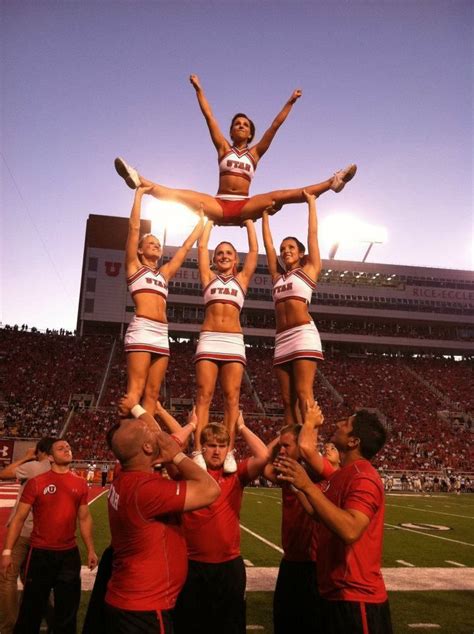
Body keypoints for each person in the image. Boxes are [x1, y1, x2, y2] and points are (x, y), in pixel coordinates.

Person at [114, 75, 357, 226]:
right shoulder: (223, 147)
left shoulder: (255, 153)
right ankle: (139, 180)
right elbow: (208, 116)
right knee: (180, 194)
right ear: (231, 132)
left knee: (281, 195)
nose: (240, 126)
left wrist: (290, 102)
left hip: (244, 205)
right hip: (219, 204)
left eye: (245, 125)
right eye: (237, 124)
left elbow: (275, 125)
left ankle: (333, 182)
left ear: (250, 133)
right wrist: (199, 90)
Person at [103, 405, 220, 634]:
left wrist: (139, 408)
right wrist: (176, 455)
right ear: (147, 447)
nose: (156, 432)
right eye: (149, 431)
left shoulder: (123, 472)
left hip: (126, 598)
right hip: (144, 608)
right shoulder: (146, 489)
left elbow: (155, 435)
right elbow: (210, 490)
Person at [275, 409, 393, 634]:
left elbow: (350, 529)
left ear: (353, 441)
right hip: (335, 592)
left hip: (357, 598)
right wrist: (295, 481)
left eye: (346, 423)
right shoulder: (343, 474)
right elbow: (316, 512)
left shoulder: (364, 476)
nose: (339, 423)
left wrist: (307, 485)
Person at [173, 413, 269, 634]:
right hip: (191, 564)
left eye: (222, 445)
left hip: (229, 565)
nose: (217, 450)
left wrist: (242, 427)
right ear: (202, 448)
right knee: (190, 626)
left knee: (230, 626)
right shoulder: (189, 473)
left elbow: (264, 455)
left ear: (228, 449)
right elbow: (169, 451)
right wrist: (191, 425)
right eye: (211, 445)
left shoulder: (236, 475)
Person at [1, 439, 98, 634]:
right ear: (51, 457)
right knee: (31, 611)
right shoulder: (37, 482)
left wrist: (91, 550)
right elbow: (19, 519)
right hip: (39, 554)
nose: (67, 449)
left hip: (69, 555)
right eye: (61, 448)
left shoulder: (80, 483)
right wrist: (7, 551)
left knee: (67, 612)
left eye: (68, 447)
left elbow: (85, 518)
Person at [123, 186, 205, 414]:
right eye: (151, 243)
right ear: (139, 251)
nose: (157, 246)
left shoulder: (164, 274)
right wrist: (139, 194)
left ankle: (146, 441)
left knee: (152, 393)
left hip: (161, 333)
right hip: (142, 329)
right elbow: (134, 227)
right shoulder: (133, 267)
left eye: (158, 244)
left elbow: (186, 247)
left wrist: (202, 220)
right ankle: (127, 442)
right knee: (134, 392)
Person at [264, 402, 339, 634]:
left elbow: (308, 451)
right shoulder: (287, 471)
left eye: (287, 445)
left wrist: (306, 429)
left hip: (315, 565)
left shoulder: (320, 474)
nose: (282, 451)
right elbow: (265, 464)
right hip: (291, 562)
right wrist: (283, 437)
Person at [193, 219, 258, 472]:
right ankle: (198, 450)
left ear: (235, 260)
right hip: (209, 337)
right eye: (219, 253)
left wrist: (250, 223)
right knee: (204, 396)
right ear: (213, 259)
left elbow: (254, 251)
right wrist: (208, 220)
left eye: (229, 253)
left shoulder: (242, 279)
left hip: (233, 341)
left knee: (232, 398)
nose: (223, 256)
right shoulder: (207, 277)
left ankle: (229, 451)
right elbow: (201, 247)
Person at [262, 191, 323, 424]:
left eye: (291, 248)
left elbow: (313, 235)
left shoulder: (309, 270)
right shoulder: (277, 276)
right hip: (282, 337)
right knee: (287, 400)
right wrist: (264, 217)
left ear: (301, 253)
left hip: (303, 334)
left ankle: (310, 447)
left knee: (304, 393)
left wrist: (311, 203)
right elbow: (267, 247)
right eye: (283, 248)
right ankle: (292, 449)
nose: (285, 251)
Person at [0, 438, 54, 634]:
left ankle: (9, 627)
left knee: (7, 577)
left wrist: (26, 457)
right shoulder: (59, 470)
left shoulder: (35, 467)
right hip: (43, 532)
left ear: (40, 451)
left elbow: (4, 473)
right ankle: (52, 620)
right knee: (36, 578)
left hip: (23, 530)